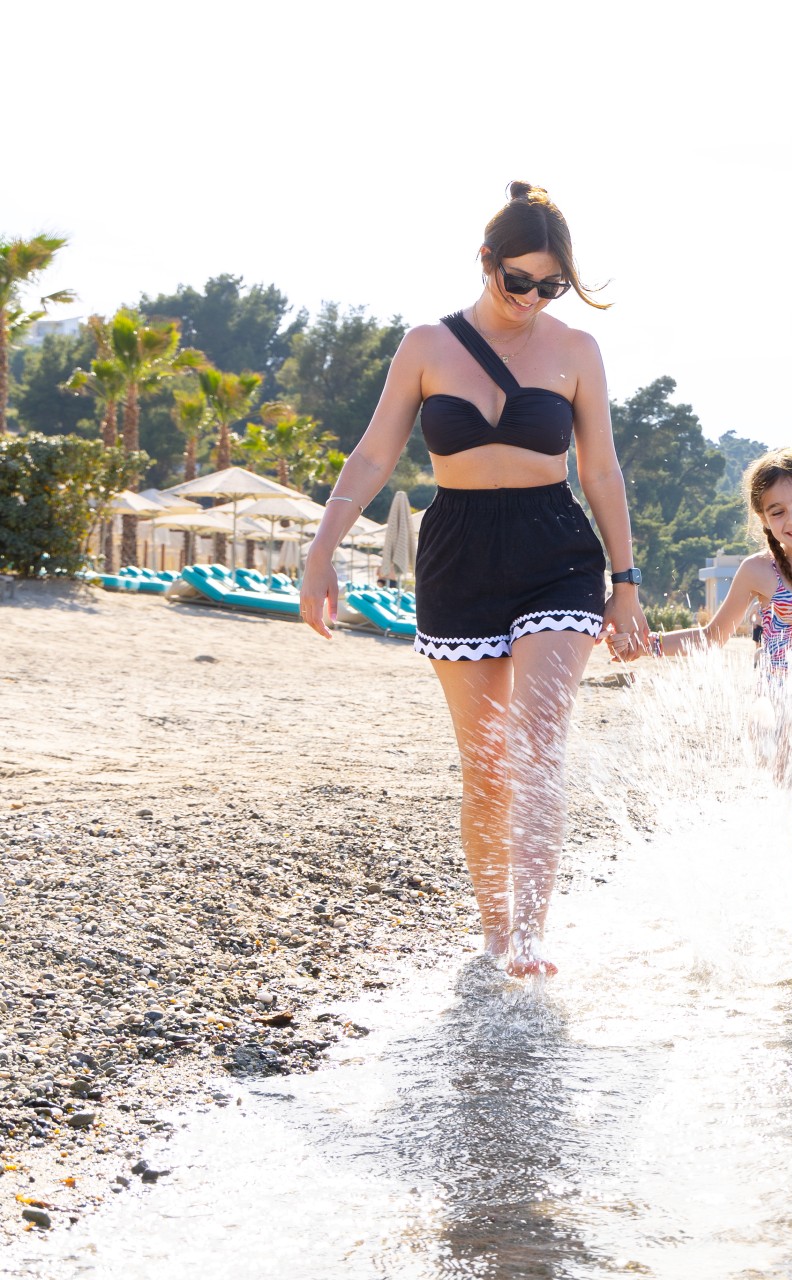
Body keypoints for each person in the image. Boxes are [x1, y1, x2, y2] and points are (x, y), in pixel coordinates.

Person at [300, 181, 648, 979]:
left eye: (550, 286)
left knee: (535, 747)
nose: (531, 298)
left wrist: (625, 581)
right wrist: (322, 548)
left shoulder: (576, 352)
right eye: (517, 279)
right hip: (457, 551)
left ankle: (530, 935)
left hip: (556, 549)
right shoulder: (427, 345)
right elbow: (374, 454)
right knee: (486, 765)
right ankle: (495, 934)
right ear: (484, 261)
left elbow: (601, 471)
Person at [634, 448, 792, 955]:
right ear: (763, 521)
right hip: (772, 708)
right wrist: (642, 647)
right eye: (777, 512)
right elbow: (712, 637)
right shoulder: (759, 572)